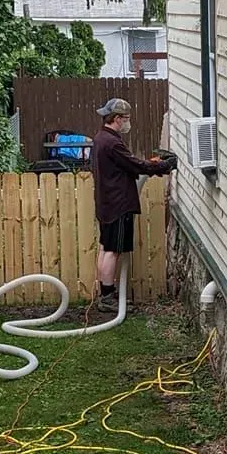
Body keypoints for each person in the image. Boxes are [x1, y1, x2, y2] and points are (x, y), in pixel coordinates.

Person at [90, 97, 176, 310]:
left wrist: (152, 164)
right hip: (118, 204)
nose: (128, 123)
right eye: (126, 119)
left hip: (106, 203)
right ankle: (108, 299)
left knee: (105, 248)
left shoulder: (100, 138)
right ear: (117, 118)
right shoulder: (112, 143)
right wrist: (163, 166)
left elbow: (126, 165)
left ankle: (105, 293)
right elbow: (133, 165)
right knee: (113, 251)